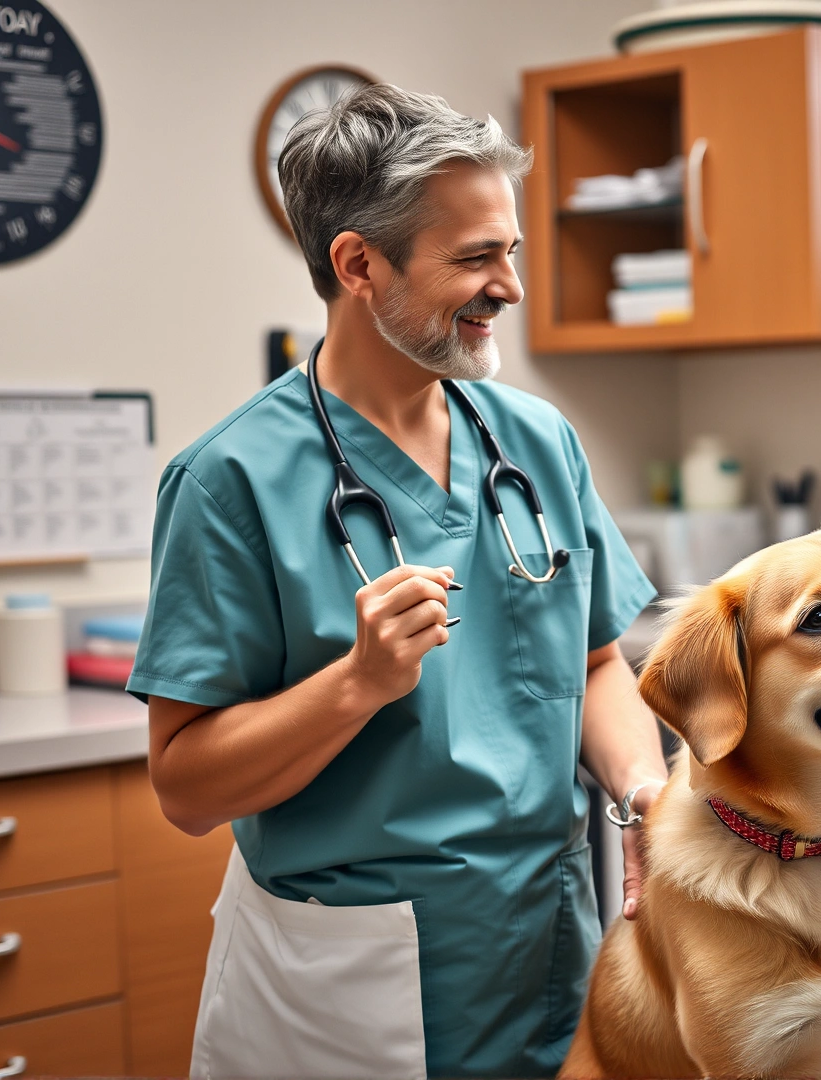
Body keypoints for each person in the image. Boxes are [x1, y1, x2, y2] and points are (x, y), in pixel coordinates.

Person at [127, 84, 666, 1079]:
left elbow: (594, 664)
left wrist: (645, 795)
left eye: (509, 252)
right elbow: (186, 786)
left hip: (546, 939)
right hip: (349, 985)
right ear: (358, 265)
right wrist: (357, 684)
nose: (508, 285)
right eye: (474, 258)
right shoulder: (231, 481)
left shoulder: (534, 439)